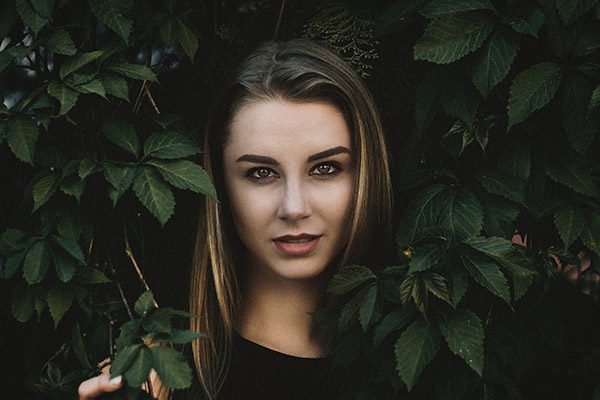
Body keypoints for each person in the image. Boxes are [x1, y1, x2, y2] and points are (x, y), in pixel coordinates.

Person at [78, 38, 394, 400]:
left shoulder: (418, 361)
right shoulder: (164, 377)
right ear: (220, 186)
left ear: (366, 175)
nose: (293, 207)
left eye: (325, 168)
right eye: (261, 173)